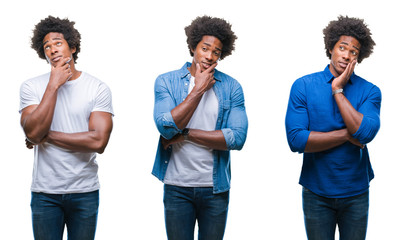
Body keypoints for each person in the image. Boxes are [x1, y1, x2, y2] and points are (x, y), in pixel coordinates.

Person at [152, 15, 248, 240]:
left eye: (216, 51)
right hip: (177, 186)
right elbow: (166, 128)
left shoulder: (231, 86)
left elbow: (237, 138)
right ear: (193, 47)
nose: (210, 55)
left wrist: (185, 133)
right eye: (205, 48)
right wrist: (198, 90)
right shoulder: (166, 81)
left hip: (215, 188)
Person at [285, 16, 381, 240]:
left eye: (354, 52)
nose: (347, 55)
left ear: (359, 57)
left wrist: (337, 90)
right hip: (316, 192)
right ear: (330, 48)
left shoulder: (370, 91)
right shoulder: (303, 86)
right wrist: (347, 135)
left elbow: (366, 133)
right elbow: (296, 140)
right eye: (342, 48)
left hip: (356, 192)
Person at [19, 16, 113, 240]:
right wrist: (53, 84)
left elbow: (98, 142)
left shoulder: (97, 88)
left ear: (72, 46)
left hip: (84, 191)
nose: (52, 49)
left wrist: (46, 136)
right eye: (47, 46)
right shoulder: (32, 87)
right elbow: (32, 132)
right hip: (45, 193)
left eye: (57, 43)